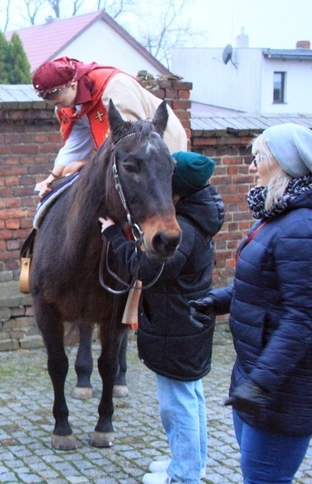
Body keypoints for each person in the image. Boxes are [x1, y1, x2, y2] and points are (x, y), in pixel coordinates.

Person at [190, 123, 312, 484]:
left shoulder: (301, 227)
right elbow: (263, 288)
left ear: (284, 164)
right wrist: (217, 301)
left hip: (282, 391)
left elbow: (302, 318)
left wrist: (260, 384)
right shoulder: (276, 216)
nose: (250, 166)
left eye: (258, 157)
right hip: (253, 378)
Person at [99, 151, 224, 484]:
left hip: (176, 329)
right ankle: (190, 463)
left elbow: (144, 269)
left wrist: (113, 235)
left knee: (177, 406)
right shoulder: (199, 214)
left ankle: (183, 476)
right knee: (191, 397)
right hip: (188, 326)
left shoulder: (181, 233)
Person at [31, 56, 187, 198]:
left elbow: (133, 145)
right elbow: (76, 145)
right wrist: (52, 178)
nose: (59, 108)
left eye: (58, 102)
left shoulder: (115, 87)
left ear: (72, 85)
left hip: (159, 147)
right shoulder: (71, 102)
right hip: (126, 156)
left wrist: (87, 164)